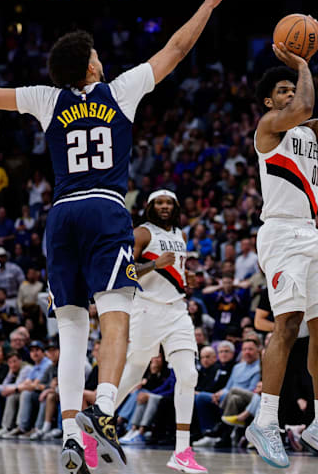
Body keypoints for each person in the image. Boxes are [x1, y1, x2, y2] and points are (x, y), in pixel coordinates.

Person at [0, 0, 234, 474]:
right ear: (90, 62)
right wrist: (208, 6)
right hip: (106, 210)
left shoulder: (48, 99)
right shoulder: (120, 90)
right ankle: (104, 412)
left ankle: (70, 435)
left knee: (70, 330)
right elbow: (175, 49)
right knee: (116, 320)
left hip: (62, 215)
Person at [245, 16, 318, 469]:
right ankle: (266, 422)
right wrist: (301, 65)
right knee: (287, 322)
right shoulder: (269, 128)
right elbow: (305, 101)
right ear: (270, 101)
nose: (293, 95)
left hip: (310, 235)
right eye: (284, 91)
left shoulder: (309, 133)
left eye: (293, 89)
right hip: (278, 232)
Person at [113, 190, 205, 473]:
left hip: (177, 310)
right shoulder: (142, 232)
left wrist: (184, 277)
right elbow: (123, 270)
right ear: (151, 207)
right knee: (135, 370)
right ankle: (99, 415)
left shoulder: (182, 235)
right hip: (147, 309)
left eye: (169, 203)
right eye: (159, 203)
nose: (164, 207)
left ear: (176, 207)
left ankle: (181, 451)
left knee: (189, 375)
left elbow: (175, 273)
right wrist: (154, 264)